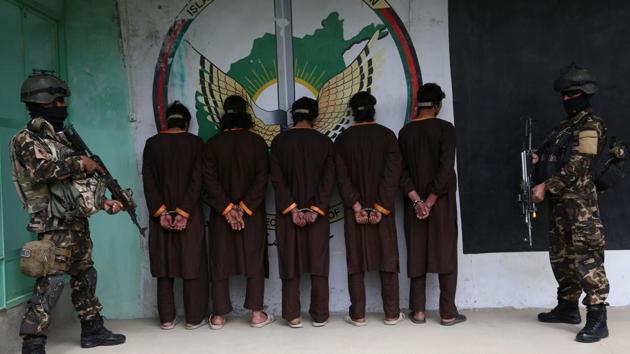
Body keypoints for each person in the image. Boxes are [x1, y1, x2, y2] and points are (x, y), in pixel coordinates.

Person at [12, 70, 126, 353]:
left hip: (74, 221)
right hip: (52, 222)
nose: (64, 106)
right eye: (60, 101)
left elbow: (75, 188)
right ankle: (33, 342)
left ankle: (92, 329)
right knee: (50, 281)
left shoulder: (60, 139)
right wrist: (80, 164)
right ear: (45, 102)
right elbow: (40, 172)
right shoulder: (26, 140)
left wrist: (103, 203)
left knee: (85, 274)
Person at [532, 63, 609, 343]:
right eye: (563, 95)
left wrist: (546, 185)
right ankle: (567, 307)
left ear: (585, 93)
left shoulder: (591, 124)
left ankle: (598, 318)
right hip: (560, 204)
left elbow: (579, 164)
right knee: (562, 257)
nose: (566, 100)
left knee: (586, 258)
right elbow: (553, 154)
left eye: (571, 94)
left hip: (580, 208)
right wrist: (538, 160)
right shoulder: (564, 127)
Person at [203, 96, 274, 329]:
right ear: (246, 114)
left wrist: (227, 210)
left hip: (220, 216)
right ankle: (256, 314)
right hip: (251, 215)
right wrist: (242, 209)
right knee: (254, 259)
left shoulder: (212, 145)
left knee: (220, 260)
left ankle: (218, 316)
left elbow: (209, 183)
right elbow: (261, 180)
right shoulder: (257, 143)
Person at [334, 91, 404, 326]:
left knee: (356, 262)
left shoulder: (343, 140)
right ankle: (392, 314)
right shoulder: (387, 136)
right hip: (381, 213)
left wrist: (356, 206)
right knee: (388, 259)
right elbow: (393, 174)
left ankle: (358, 315)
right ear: (373, 110)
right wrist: (380, 207)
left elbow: (341, 178)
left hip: (355, 213)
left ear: (353, 113)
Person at [398, 83, 466, 326]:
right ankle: (447, 313)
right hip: (441, 204)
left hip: (413, 205)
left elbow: (401, 172)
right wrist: (431, 200)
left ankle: (418, 311)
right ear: (437, 106)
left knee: (417, 253)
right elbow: (446, 168)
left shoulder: (404, 133)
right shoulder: (446, 129)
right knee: (446, 253)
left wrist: (417, 201)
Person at [142, 101, 209, 330]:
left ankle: (167, 319)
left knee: (164, 267)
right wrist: (184, 212)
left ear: (167, 121)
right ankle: (193, 319)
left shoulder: (152, 144)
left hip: (159, 216)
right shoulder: (196, 143)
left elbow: (148, 182)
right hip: (190, 216)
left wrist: (162, 212)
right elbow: (198, 181)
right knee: (192, 265)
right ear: (187, 123)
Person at [270, 97, 336, 328]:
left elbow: (277, 180)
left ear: (293, 116)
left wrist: (292, 208)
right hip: (317, 217)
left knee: (290, 264)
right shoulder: (325, 142)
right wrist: (316, 209)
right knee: (318, 264)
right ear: (314, 117)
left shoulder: (279, 142)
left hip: (288, 215)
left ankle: (293, 316)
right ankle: (320, 315)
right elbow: (329, 180)